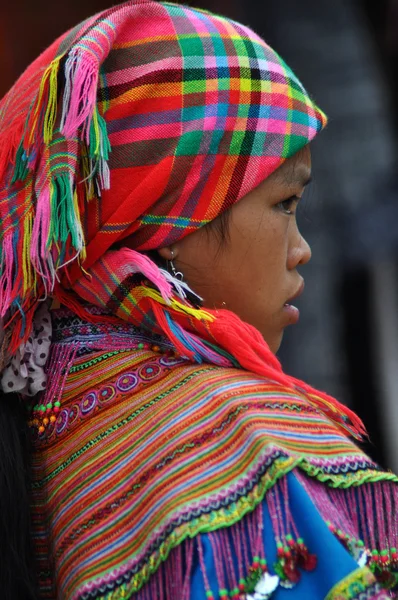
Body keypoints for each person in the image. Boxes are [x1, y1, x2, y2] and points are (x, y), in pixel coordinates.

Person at [0, 1, 396, 599]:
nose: (303, 249)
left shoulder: (51, 401)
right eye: (285, 204)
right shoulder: (245, 444)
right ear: (175, 221)